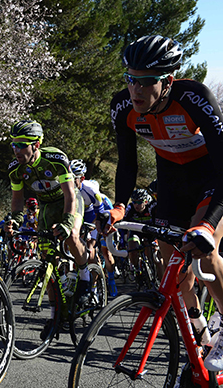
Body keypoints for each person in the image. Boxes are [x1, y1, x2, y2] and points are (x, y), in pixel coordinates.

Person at [105, 34, 223, 370]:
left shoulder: (194, 98)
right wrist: (119, 205)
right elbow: (128, 164)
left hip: (212, 182)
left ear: (168, 81)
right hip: (171, 183)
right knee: (174, 270)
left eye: (145, 82)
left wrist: (207, 222)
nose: (135, 90)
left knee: (207, 254)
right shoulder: (122, 106)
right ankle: (200, 330)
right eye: (130, 79)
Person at [8, 120, 88, 339]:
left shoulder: (56, 159)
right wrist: (15, 220)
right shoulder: (16, 169)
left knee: (71, 235)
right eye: (13, 144)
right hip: (46, 207)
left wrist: (67, 221)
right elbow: (17, 199)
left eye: (22, 144)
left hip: (68, 202)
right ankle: (55, 317)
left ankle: (85, 275)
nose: (16, 150)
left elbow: (71, 195)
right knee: (47, 261)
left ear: (37, 144)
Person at [70, 159, 117, 296]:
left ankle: (96, 285)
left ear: (82, 178)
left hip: (94, 218)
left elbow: (100, 216)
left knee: (92, 252)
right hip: (78, 217)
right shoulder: (64, 186)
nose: (70, 182)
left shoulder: (92, 190)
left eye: (74, 179)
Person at [123, 188, 162, 286]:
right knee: (132, 246)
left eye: (139, 202)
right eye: (134, 202)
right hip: (136, 231)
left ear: (145, 201)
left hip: (152, 232)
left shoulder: (152, 207)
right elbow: (123, 222)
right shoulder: (130, 208)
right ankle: (137, 269)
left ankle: (160, 280)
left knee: (155, 256)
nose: (136, 205)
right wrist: (122, 237)